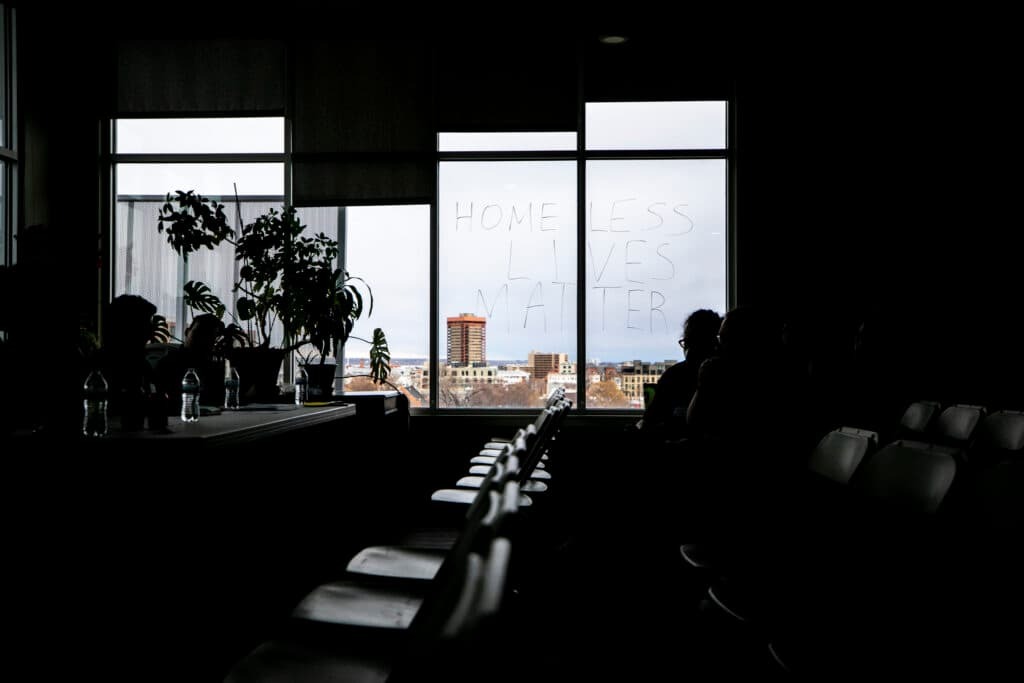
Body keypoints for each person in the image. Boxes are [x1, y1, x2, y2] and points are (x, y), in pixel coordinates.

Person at [639, 308, 722, 442]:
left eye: (694, 341)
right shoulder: (727, 376)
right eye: (688, 342)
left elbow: (649, 421)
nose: (688, 349)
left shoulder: (672, 375)